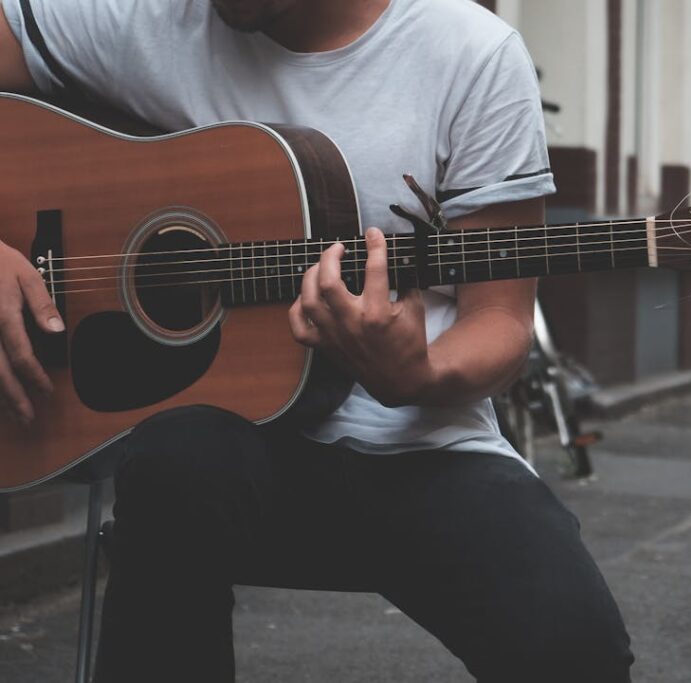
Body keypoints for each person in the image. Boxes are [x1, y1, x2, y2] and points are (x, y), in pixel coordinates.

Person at [0, 0, 634, 681]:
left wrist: (417, 373)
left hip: (424, 449)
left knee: (577, 648)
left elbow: (502, 321)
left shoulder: (471, 55)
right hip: (224, 454)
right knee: (175, 459)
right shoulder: (150, 15)